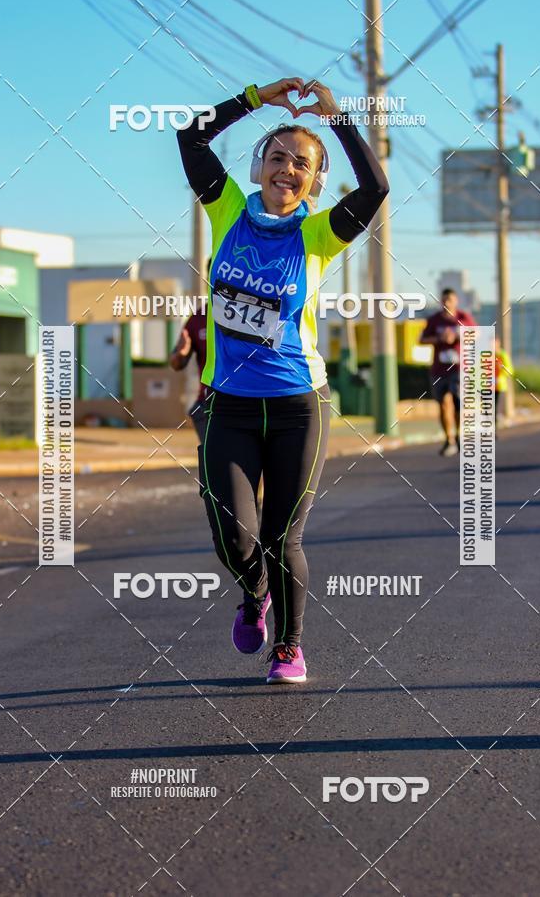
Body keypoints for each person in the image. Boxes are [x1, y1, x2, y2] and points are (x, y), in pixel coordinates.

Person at [177, 77, 389, 683]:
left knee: (281, 534)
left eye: (303, 163)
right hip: (228, 405)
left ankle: (289, 647)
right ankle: (253, 594)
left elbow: (376, 186)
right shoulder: (224, 211)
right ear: (259, 167)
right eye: (278, 157)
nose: (288, 169)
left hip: (299, 405)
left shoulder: (320, 234)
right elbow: (190, 136)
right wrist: (254, 98)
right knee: (232, 537)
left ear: (313, 181)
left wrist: (338, 116)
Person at [420, 288, 476, 456]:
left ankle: (459, 436)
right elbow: (422, 339)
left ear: (456, 301)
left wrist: (456, 337)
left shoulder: (463, 317)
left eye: (449, 300)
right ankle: (448, 439)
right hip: (439, 369)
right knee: (443, 404)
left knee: (458, 404)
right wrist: (439, 339)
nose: (446, 303)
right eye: (443, 300)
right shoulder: (434, 320)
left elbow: (476, 333)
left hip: (458, 368)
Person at [170, 297, 208, 442]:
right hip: (208, 405)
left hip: (248, 403)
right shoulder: (198, 318)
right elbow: (176, 363)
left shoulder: (248, 312)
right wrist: (181, 354)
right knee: (213, 462)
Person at [494, 336, 513, 426]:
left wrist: (501, 375)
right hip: (486, 385)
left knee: (495, 406)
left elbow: (509, 369)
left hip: (498, 385)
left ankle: (494, 428)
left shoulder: (502, 355)